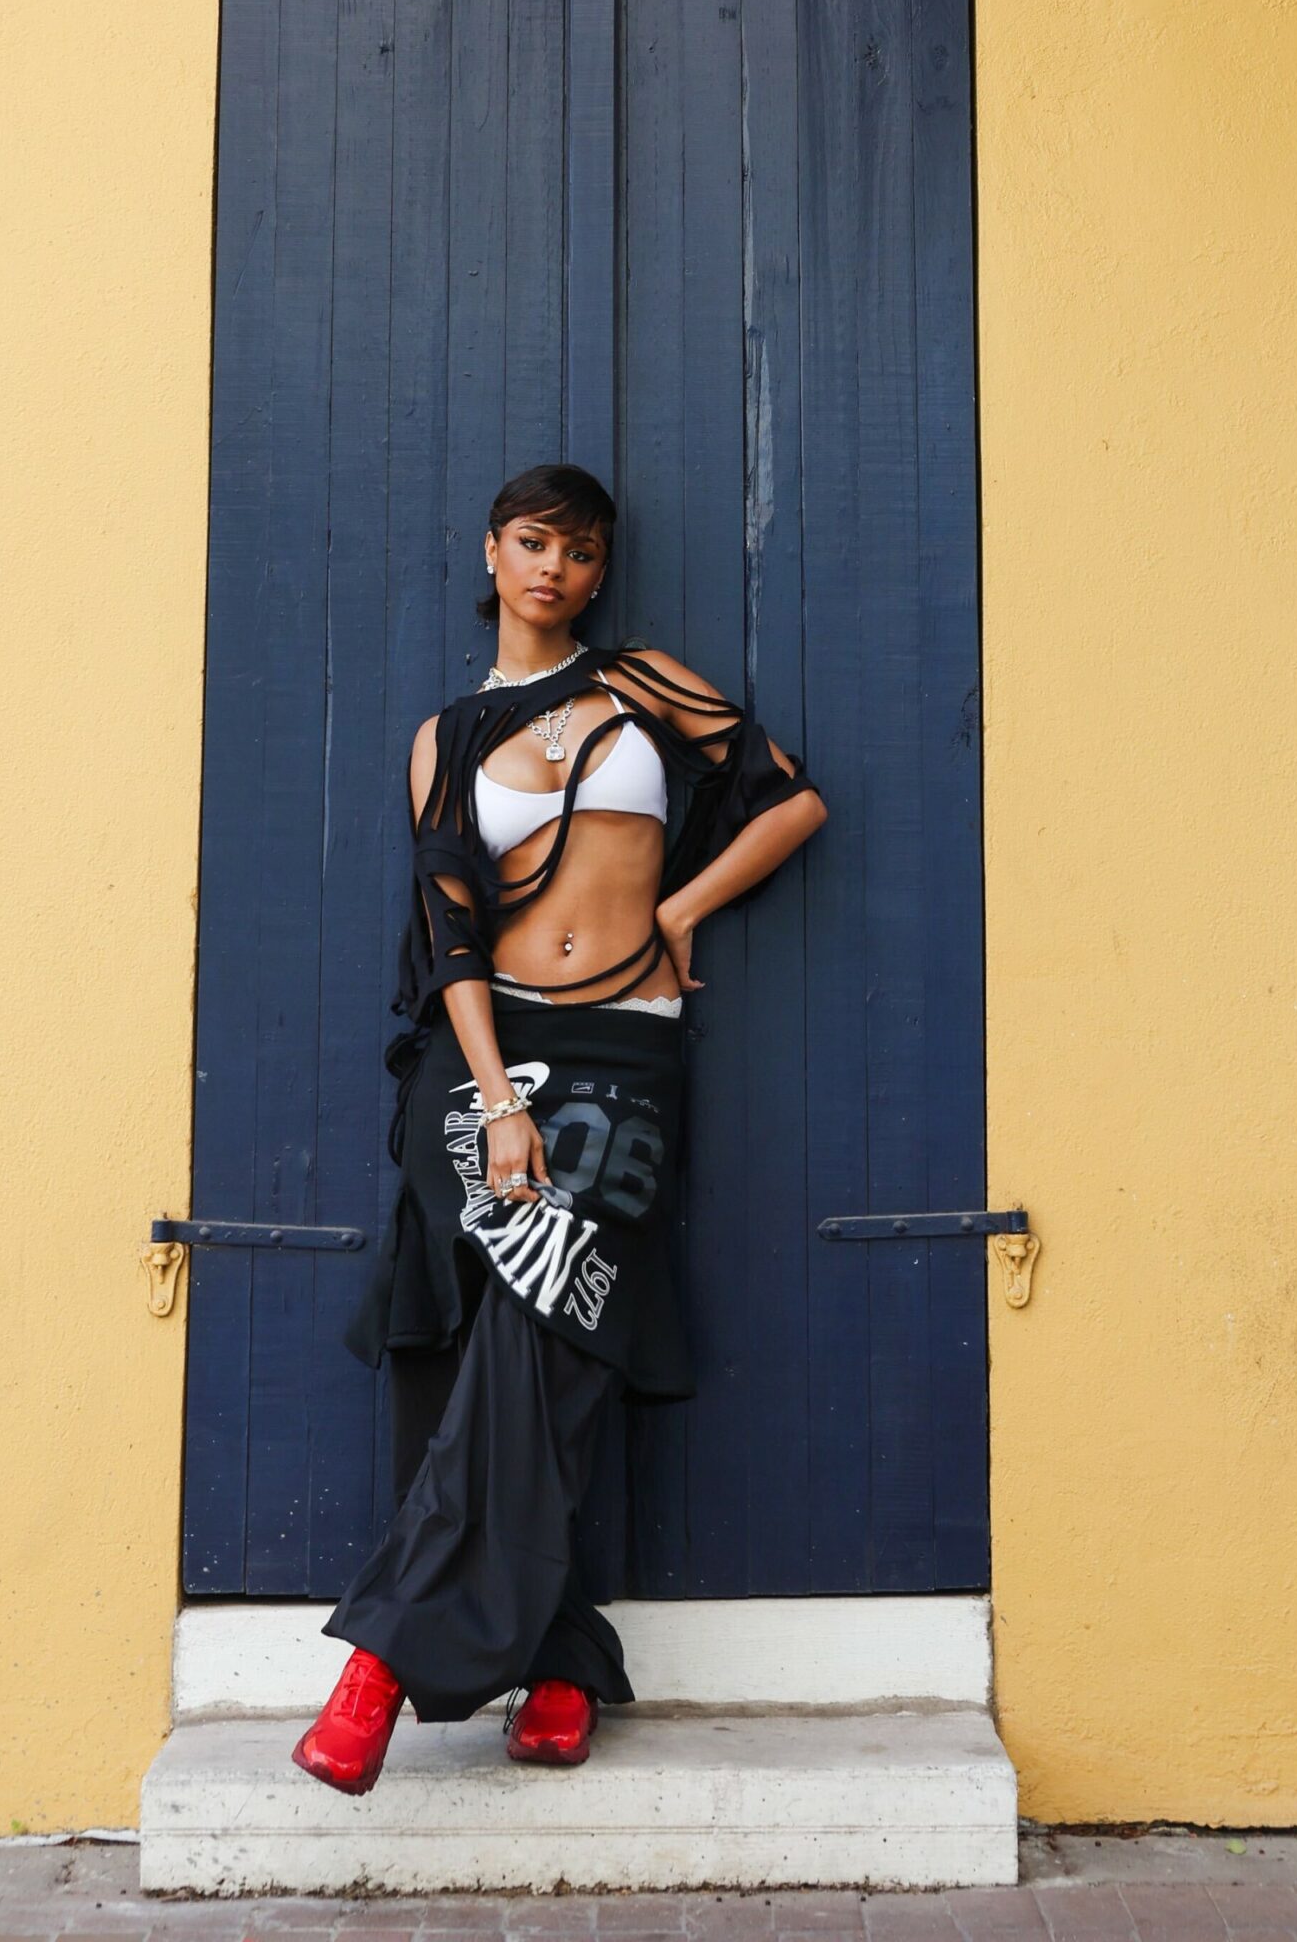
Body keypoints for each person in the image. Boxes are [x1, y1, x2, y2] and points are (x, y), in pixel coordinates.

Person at [292, 463, 827, 1794]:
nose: (554, 569)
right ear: (493, 551)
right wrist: (494, 1098)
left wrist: (682, 910)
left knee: (555, 1320)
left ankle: (381, 1665)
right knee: (495, 1334)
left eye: (580, 552)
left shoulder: (643, 685)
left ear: (598, 573)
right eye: (534, 542)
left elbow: (791, 801)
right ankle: (561, 1664)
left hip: (627, 1044)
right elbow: (450, 931)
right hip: (489, 1055)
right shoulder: (445, 737)